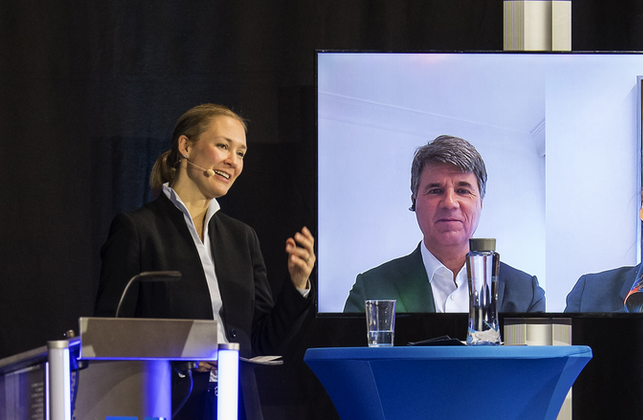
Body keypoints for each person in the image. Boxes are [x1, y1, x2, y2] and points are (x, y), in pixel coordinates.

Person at [94, 104, 315, 420]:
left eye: (241, 153)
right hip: (171, 405)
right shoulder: (138, 230)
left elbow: (263, 343)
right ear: (186, 147)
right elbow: (110, 339)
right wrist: (184, 359)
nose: (233, 162)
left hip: (236, 405)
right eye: (223, 146)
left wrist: (297, 286)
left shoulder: (242, 237)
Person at [343, 135, 545, 313]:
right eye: (435, 190)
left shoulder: (527, 293)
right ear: (414, 202)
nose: (449, 203)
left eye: (463, 190)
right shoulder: (370, 289)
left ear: (480, 203)